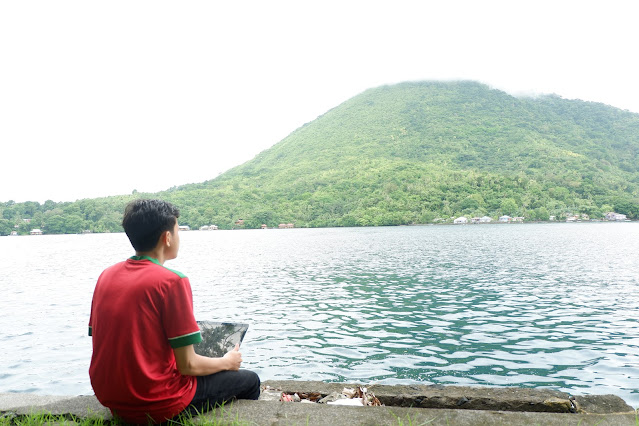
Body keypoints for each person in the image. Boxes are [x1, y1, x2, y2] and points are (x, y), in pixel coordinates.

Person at [88, 199, 260, 424]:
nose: (178, 237)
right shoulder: (172, 281)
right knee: (251, 380)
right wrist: (228, 361)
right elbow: (187, 365)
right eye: (177, 231)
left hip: (111, 398)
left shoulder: (106, 276)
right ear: (167, 238)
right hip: (157, 402)